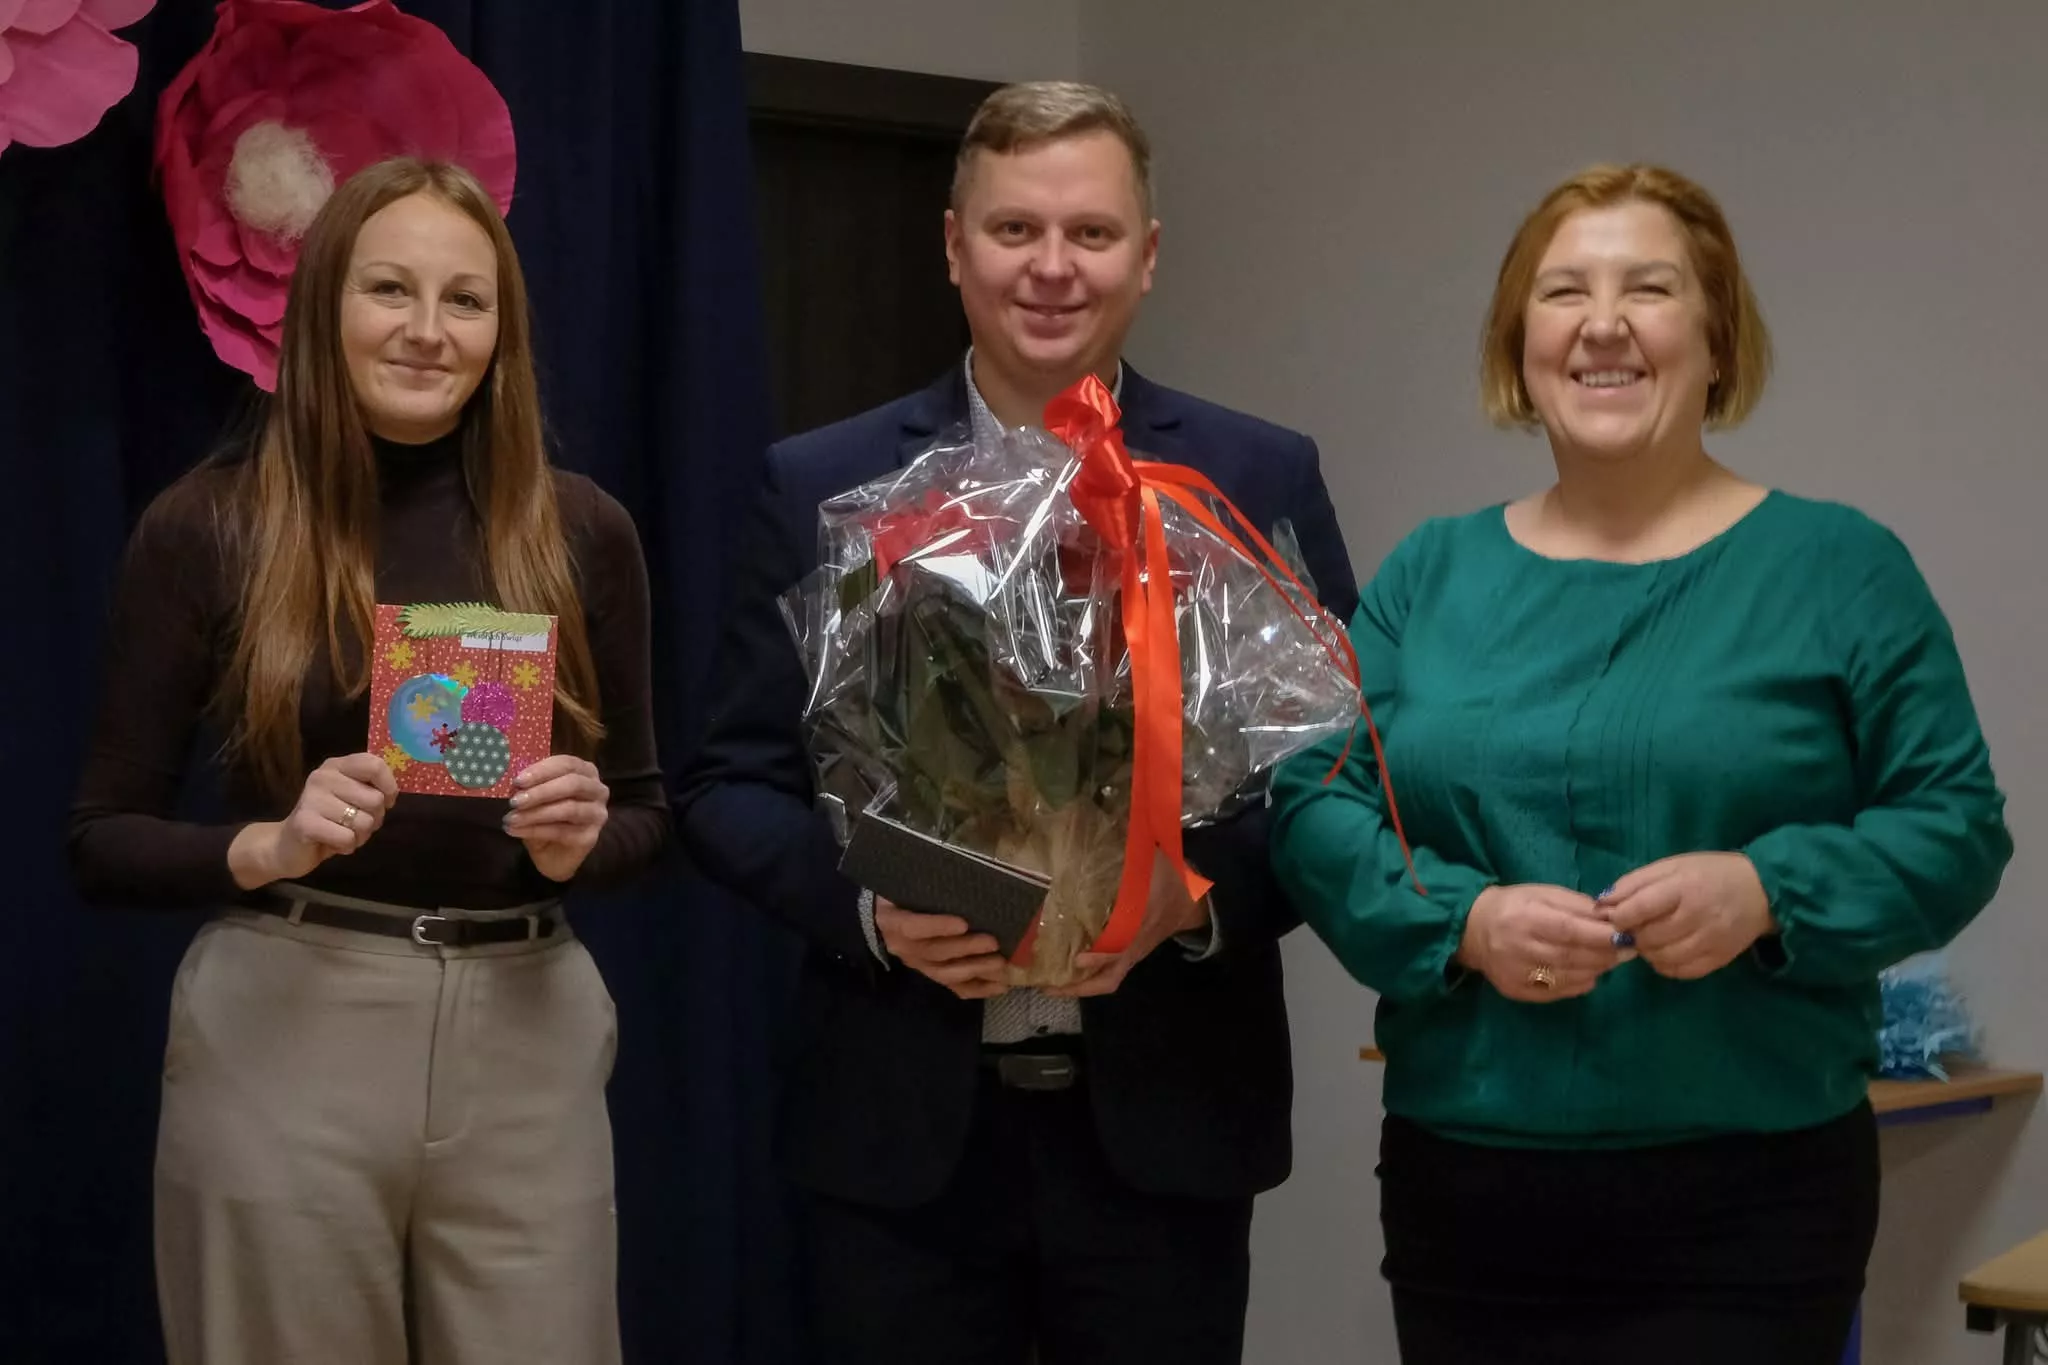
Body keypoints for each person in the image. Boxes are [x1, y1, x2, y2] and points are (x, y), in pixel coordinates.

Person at [1268, 162, 2012, 1365]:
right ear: (1517, 345)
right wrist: (1464, 922)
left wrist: (1766, 891)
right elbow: (1314, 800)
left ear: (1715, 341)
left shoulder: (1838, 569)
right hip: (1468, 1194)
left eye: (1648, 289)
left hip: (1752, 1202)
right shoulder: (1427, 576)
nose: (1601, 324)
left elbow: (1954, 824)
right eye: (1562, 292)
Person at [675, 81, 1355, 1364]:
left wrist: (1192, 904)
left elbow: (1330, 778)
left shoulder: (1251, 474)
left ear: (1146, 256)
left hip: (1165, 1129)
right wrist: (873, 913)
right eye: (1013, 230)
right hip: (897, 1135)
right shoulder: (823, 483)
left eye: (1091, 233)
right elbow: (727, 784)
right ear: (953, 246)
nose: (1052, 267)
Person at [68, 157, 667, 1365]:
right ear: (321, 306)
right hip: (287, 1018)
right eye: (390, 289)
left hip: (528, 1028)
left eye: (465, 300)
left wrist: (580, 840)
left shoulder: (582, 529)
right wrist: (268, 844)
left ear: (502, 334)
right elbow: (102, 838)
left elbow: (649, 813)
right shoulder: (208, 524)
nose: (427, 330)